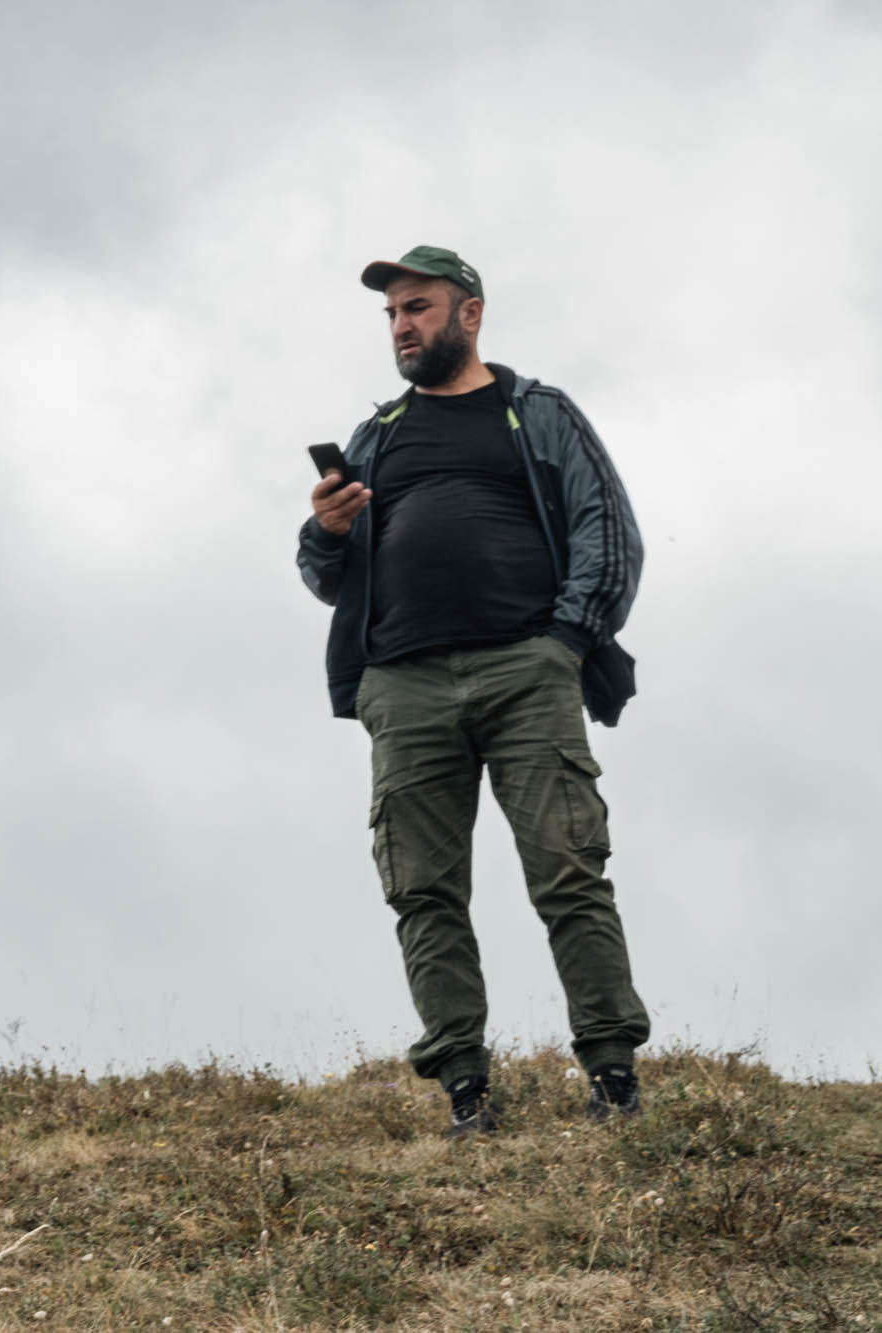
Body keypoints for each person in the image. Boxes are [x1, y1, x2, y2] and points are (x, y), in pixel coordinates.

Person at [296, 244, 650, 1137]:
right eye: (392, 315)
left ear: (470, 313)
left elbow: (608, 527)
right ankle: (465, 1088)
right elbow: (327, 575)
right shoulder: (378, 432)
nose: (402, 326)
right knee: (422, 888)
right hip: (403, 682)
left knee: (567, 869)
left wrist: (565, 641)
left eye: (417, 308)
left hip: (525, 666)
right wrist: (325, 530)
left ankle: (613, 1074)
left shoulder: (537, 413)